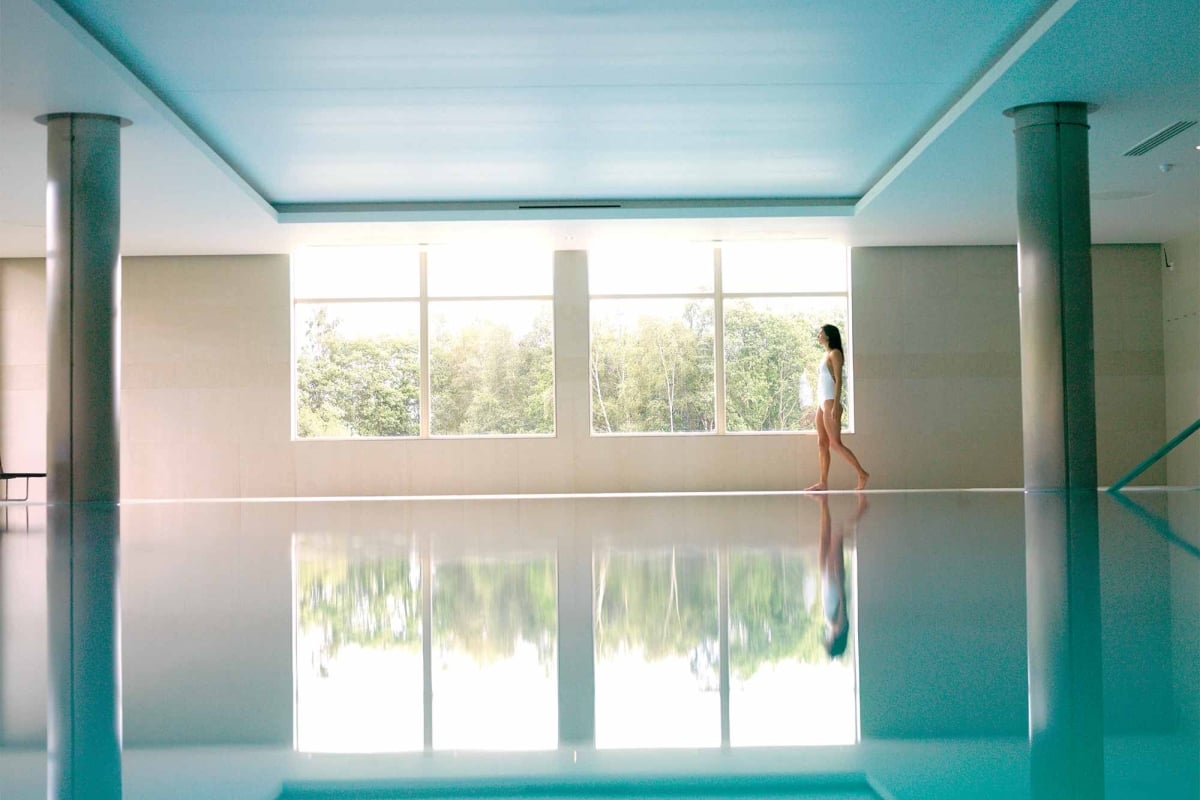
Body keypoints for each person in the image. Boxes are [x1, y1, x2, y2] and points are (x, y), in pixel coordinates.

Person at [804, 324, 869, 491]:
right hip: (822, 401)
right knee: (822, 443)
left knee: (835, 443)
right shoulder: (825, 355)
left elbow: (839, 380)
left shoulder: (835, 354)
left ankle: (862, 474)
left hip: (831, 401)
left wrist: (836, 405)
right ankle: (823, 483)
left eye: (820, 333)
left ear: (828, 336)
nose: (818, 335)